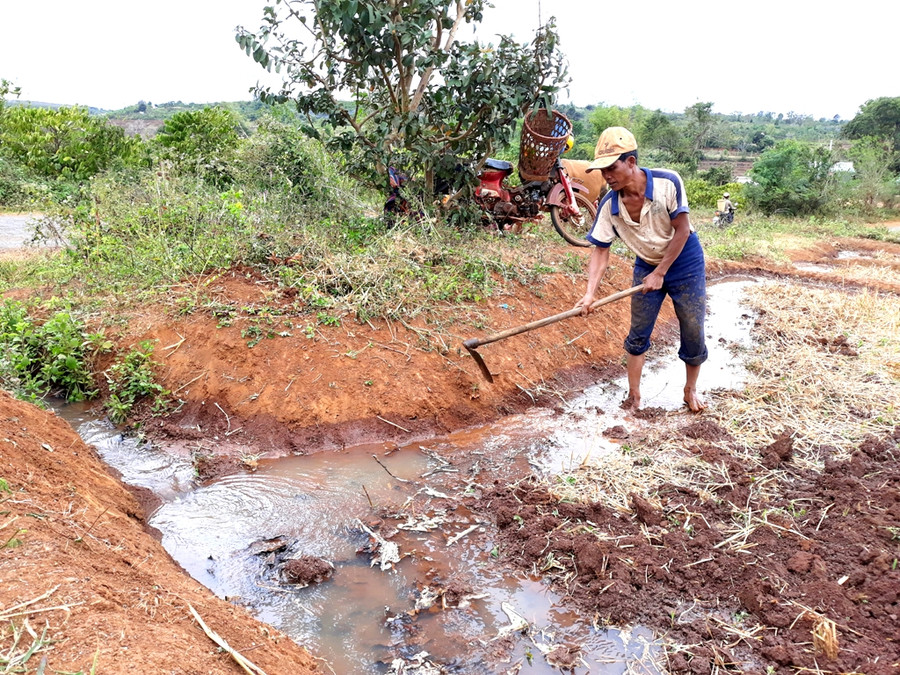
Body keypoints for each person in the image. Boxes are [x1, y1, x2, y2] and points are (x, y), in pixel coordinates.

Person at [575, 127, 707, 412]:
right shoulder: (609, 206)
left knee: (693, 325)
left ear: (631, 162)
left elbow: (682, 231)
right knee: (638, 331)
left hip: (684, 260)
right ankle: (634, 395)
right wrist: (589, 294)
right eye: (603, 170)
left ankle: (690, 389)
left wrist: (661, 273)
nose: (607, 176)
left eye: (612, 168)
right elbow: (600, 251)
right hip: (647, 262)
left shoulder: (667, 182)